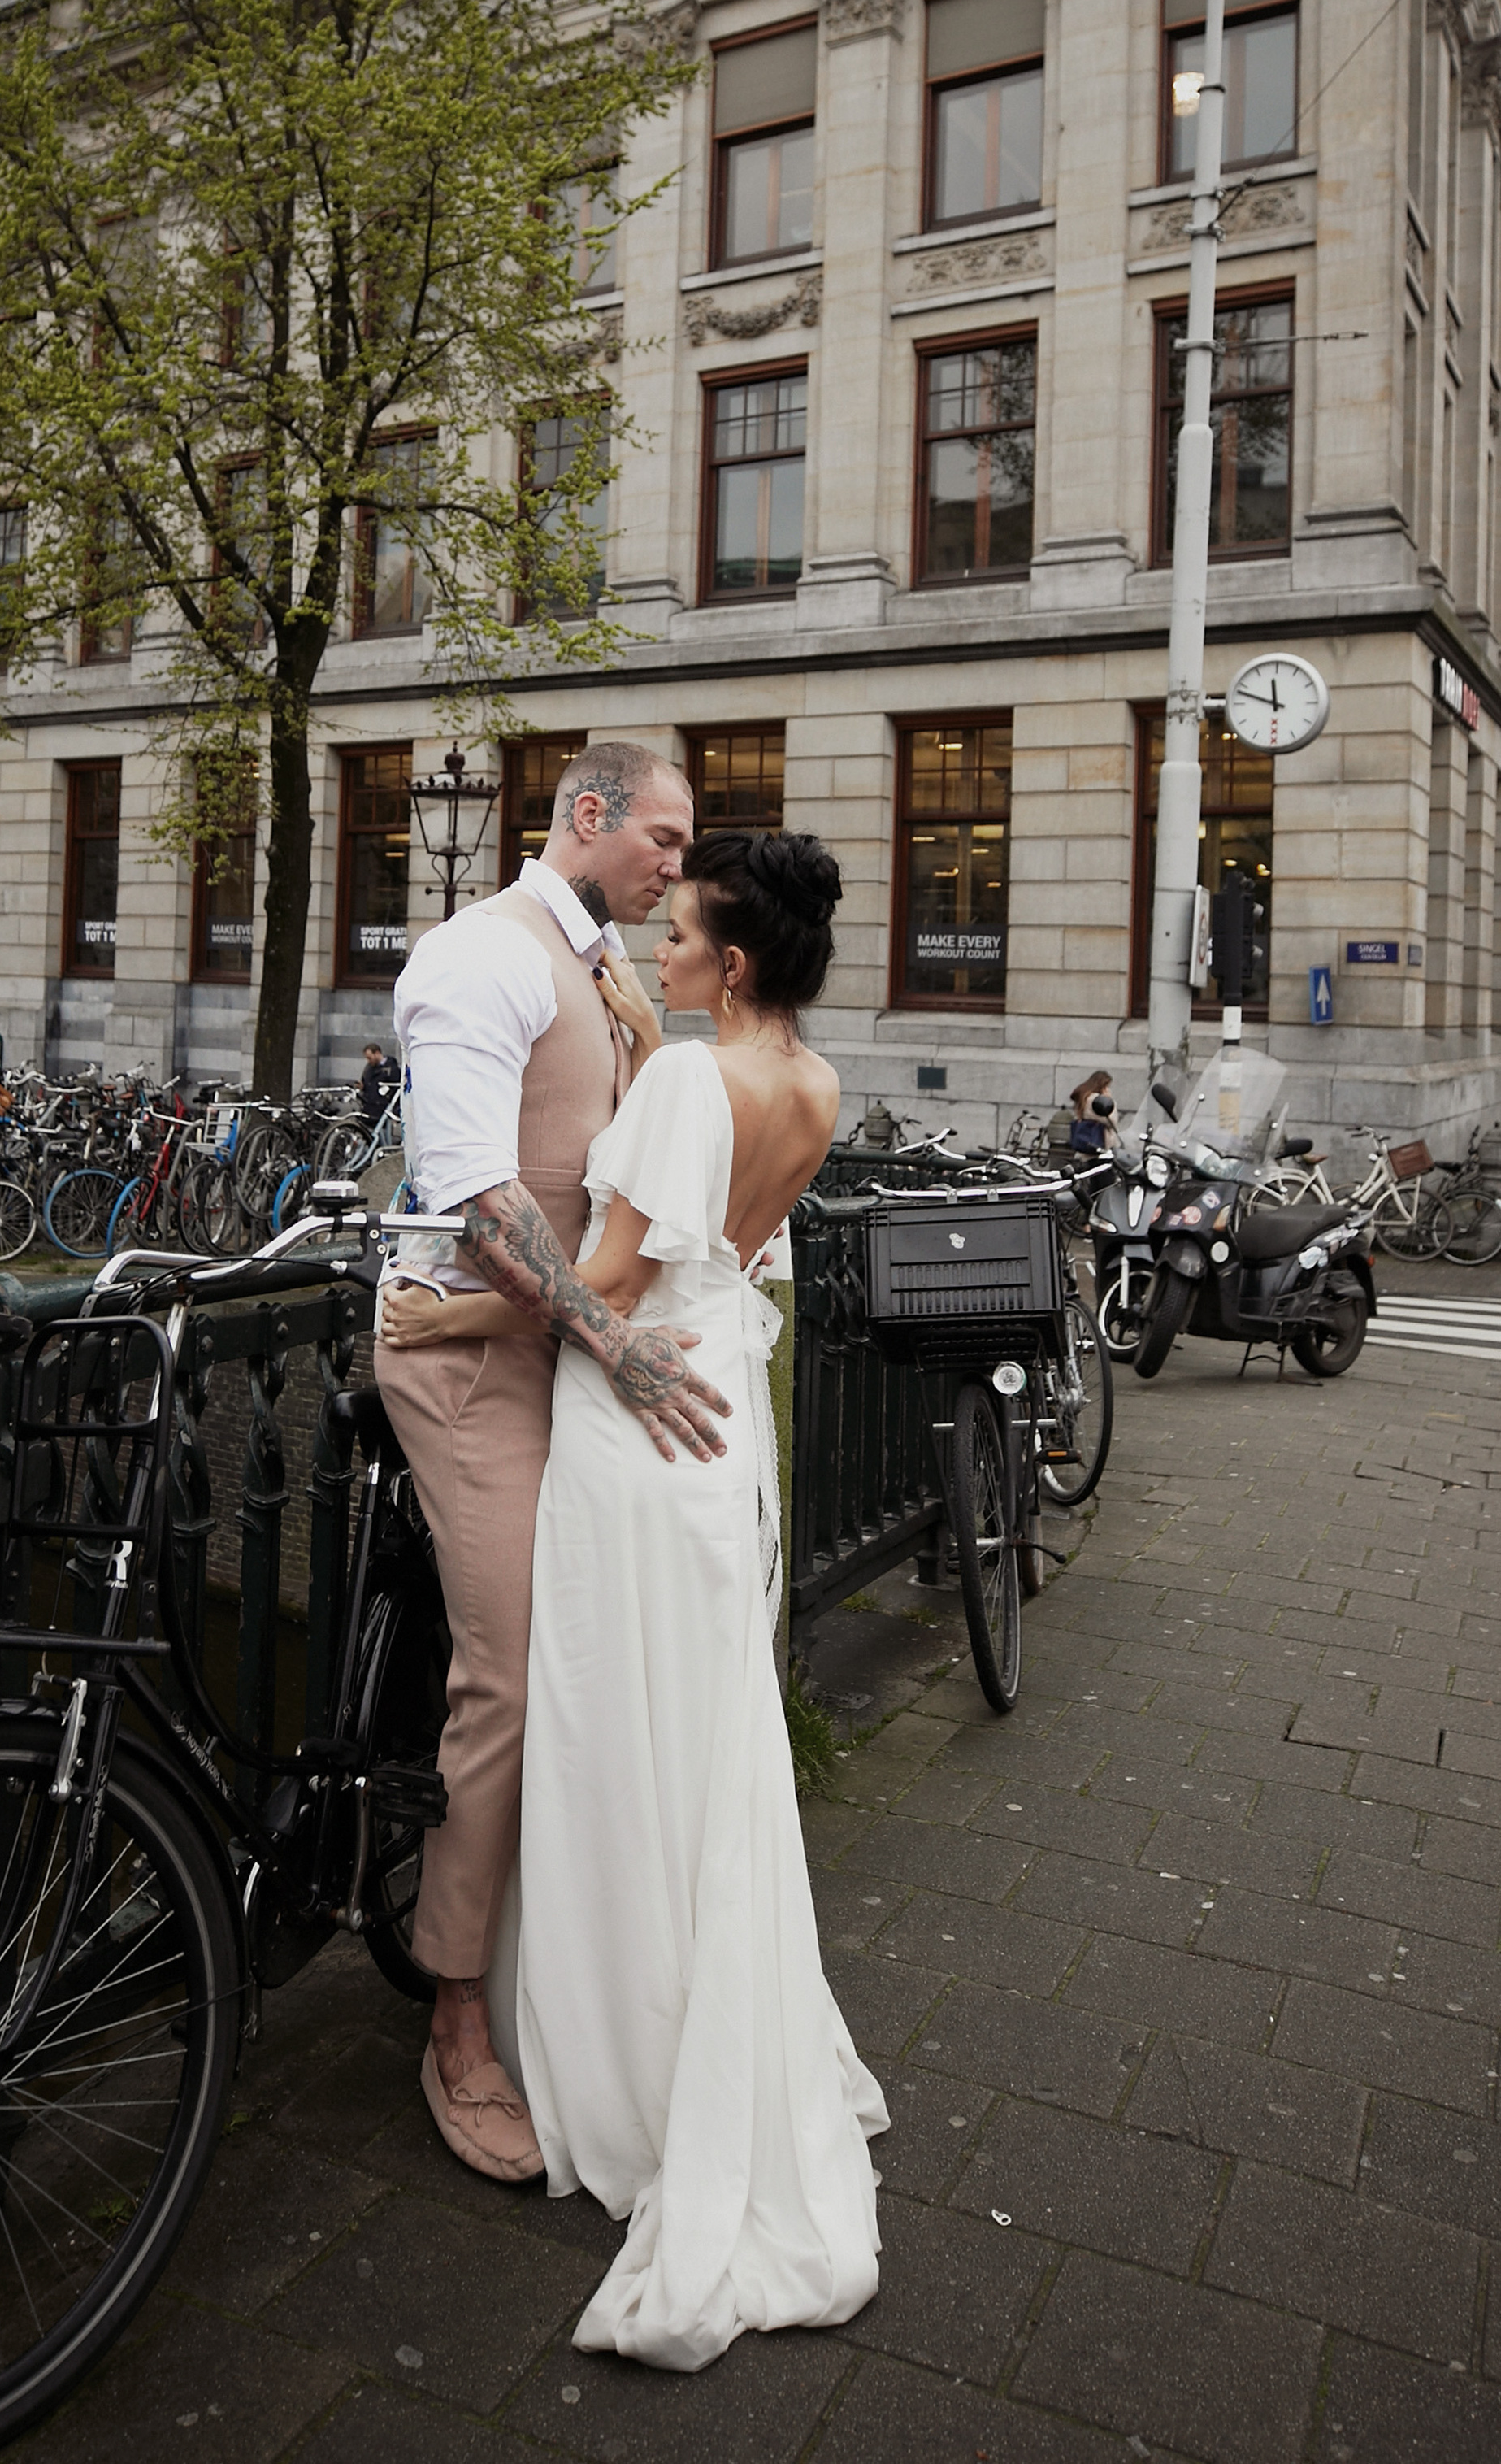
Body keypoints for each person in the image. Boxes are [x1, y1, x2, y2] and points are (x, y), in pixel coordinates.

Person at [383, 828, 886, 2366]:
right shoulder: (815, 1084)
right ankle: (698, 2013)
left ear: (730, 962)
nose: (652, 957)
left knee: (605, 1725)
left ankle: (606, 2057)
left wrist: (433, 1295)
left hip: (628, 1421)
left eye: (677, 939)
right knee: (701, 1739)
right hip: (718, 1415)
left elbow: (597, 1282)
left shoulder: (682, 1079)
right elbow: (727, 1261)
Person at [373, 739, 724, 2184]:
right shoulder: (482, 957)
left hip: (564, 1349)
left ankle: (566, 1966)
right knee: (511, 1667)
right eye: (661, 833)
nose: (674, 864)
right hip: (472, 1355)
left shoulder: (606, 967)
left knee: (597, 1652)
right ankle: (454, 2006)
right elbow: (477, 1198)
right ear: (585, 816)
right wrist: (614, 1338)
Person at [358, 1042, 399, 1132]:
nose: (368, 1061)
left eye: (369, 1058)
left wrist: (396, 1111)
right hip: (369, 1107)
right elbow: (365, 1083)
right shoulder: (369, 1068)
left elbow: (396, 1090)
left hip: (382, 1109)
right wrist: (362, 1086)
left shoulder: (392, 1069)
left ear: (377, 1053)